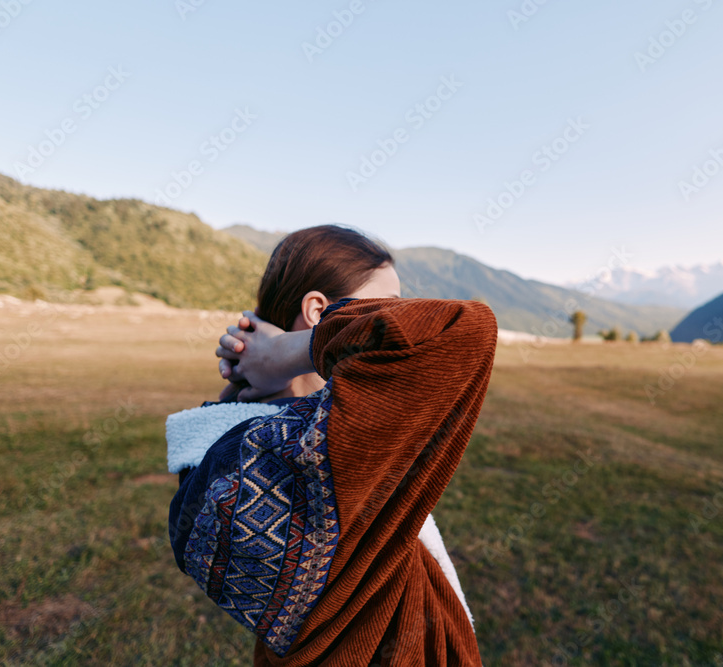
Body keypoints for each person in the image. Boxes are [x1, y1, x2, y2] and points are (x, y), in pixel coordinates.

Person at [167, 224, 495, 665]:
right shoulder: (314, 448)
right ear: (320, 312)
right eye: (384, 306)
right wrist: (287, 351)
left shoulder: (238, 452)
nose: (392, 315)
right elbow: (462, 329)